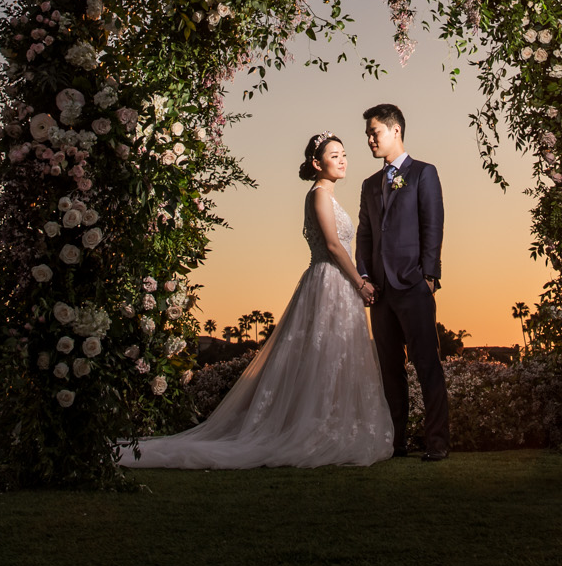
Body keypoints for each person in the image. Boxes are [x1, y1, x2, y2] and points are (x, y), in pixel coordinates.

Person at [123, 133, 394, 468]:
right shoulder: (319, 196)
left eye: (344, 154)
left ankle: (333, 426)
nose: (342, 160)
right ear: (316, 163)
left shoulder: (330, 196)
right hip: (329, 281)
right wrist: (360, 283)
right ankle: (311, 431)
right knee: (320, 355)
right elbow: (335, 246)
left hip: (338, 284)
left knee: (334, 356)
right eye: (333, 155)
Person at [356, 102, 451, 460]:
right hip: (379, 292)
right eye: (367, 133)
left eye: (374, 132)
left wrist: (429, 276)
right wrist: (364, 276)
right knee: (389, 370)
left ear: (395, 131)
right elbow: (364, 235)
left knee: (427, 363)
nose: (369, 139)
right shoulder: (369, 185)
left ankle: (438, 442)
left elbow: (433, 226)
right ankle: (395, 443)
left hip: (414, 285)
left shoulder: (424, 173)